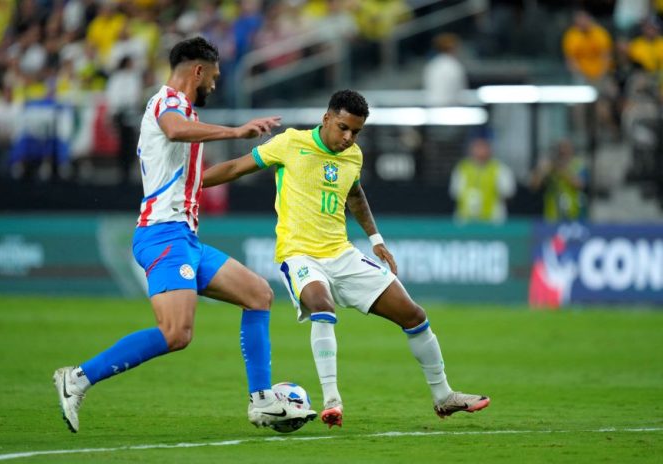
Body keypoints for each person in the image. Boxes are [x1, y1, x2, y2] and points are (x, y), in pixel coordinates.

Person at [53, 36, 316, 434]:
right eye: (214, 75)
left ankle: (262, 400)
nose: (216, 82)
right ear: (198, 71)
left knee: (257, 294)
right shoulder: (168, 103)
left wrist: (264, 157)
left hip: (185, 239)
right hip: (162, 236)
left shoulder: (186, 112)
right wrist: (235, 132)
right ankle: (77, 378)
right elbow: (176, 131)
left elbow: (198, 176)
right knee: (177, 333)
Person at [201, 89, 490, 428]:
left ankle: (444, 396)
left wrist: (376, 239)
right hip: (300, 254)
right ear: (326, 118)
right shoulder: (290, 143)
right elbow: (236, 167)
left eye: (356, 132)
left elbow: (355, 193)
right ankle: (332, 399)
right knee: (322, 305)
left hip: (342, 253)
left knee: (414, 315)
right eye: (343, 128)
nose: (349, 137)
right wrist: (189, 186)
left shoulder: (353, 156)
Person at [449, 130, 516, 224]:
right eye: (477, 146)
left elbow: (508, 194)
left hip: (493, 223)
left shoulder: (500, 169)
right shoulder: (461, 169)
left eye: (484, 146)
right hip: (465, 223)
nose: (480, 150)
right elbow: (456, 194)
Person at [530, 139, 588, 222]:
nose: (562, 151)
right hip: (552, 215)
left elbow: (580, 185)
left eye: (566, 148)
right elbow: (534, 186)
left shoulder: (578, 165)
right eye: (560, 148)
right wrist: (541, 170)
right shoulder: (550, 165)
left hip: (573, 214)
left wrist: (562, 171)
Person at [422, 33, 468, 106]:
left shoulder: (432, 65)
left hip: (432, 107)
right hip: (449, 108)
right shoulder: (454, 66)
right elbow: (459, 92)